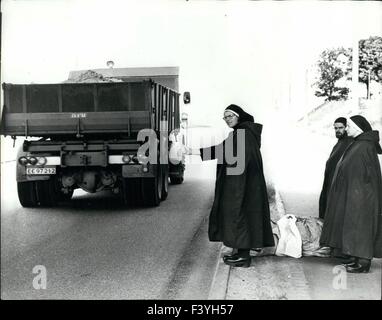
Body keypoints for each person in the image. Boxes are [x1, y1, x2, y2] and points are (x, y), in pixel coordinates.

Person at [199, 104, 274, 268]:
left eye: (230, 116)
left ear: (238, 116)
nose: (227, 120)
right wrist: (195, 152)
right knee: (243, 215)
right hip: (248, 184)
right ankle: (241, 253)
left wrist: (195, 152)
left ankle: (244, 257)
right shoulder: (244, 133)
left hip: (242, 184)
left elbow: (225, 153)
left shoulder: (242, 134)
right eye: (225, 118)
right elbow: (223, 150)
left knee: (240, 215)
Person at [319, 115, 382, 273]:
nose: (347, 129)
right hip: (357, 194)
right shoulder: (358, 144)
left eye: (349, 126)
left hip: (362, 196)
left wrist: (357, 194)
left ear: (359, 129)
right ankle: (356, 258)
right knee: (354, 227)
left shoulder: (364, 146)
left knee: (361, 227)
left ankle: (363, 262)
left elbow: (365, 176)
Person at [318, 117, 353, 219]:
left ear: (346, 128)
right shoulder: (340, 142)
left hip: (338, 186)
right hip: (331, 183)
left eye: (340, 128)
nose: (337, 131)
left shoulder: (349, 142)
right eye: (335, 128)